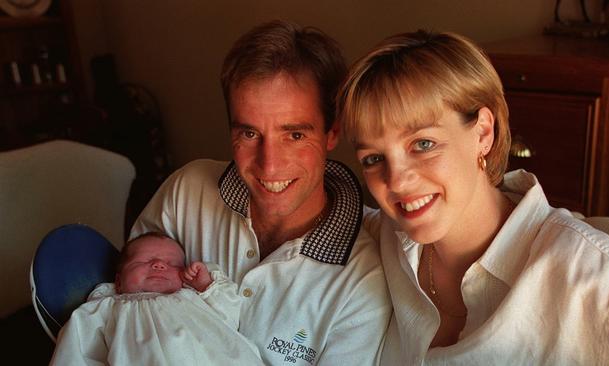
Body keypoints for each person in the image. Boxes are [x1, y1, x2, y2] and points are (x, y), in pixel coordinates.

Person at [337, 30, 609, 365]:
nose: (397, 180)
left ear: (483, 133)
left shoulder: (608, 287)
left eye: (423, 144)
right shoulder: (379, 243)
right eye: (373, 158)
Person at [130, 20, 391, 365]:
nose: (269, 167)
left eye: (294, 135)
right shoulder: (185, 195)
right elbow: (120, 306)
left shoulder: (363, 283)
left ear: (333, 132)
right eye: (250, 134)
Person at [50, 232, 264, 365]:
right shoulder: (105, 308)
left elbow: (231, 318)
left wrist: (208, 287)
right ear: (119, 281)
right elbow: (75, 352)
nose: (160, 265)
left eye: (173, 264)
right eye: (144, 261)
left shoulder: (195, 298)